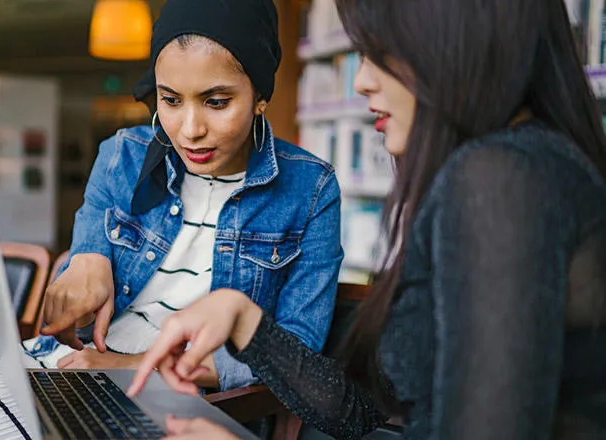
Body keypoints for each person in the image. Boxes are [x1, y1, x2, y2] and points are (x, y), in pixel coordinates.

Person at [0, 1, 346, 438]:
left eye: (216, 102)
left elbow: (292, 359)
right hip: (61, 369)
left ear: (260, 96)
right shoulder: (123, 154)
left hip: (170, 404)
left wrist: (134, 369)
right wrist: (82, 266)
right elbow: (77, 293)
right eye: (169, 100)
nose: (190, 129)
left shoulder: (311, 189)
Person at [129, 0, 606, 439]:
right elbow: (361, 412)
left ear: (459, 38)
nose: (361, 81)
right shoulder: (527, 166)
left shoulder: (501, 179)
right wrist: (244, 320)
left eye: (382, 52)